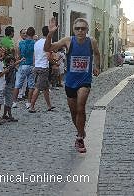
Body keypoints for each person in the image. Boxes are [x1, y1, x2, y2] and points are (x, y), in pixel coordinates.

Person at [44, 18, 100, 153]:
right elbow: (48, 48)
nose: (80, 31)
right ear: (74, 30)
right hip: (70, 82)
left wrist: (97, 66)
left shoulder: (91, 42)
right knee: (73, 111)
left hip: (84, 81)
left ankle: (80, 138)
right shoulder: (68, 41)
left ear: (87, 30)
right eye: (77, 28)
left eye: (83, 28)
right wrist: (50, 34)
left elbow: (97, 54)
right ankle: (80, 130)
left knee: (81, 107)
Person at [29, 26, 55, 113]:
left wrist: (34, 64)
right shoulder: (47, 42)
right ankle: (31, 106)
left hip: (37, 66)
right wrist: (54, 63)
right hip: (43, 67)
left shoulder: (37, 42)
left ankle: (49, 105)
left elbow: (34, 55)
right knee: (38, 87)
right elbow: (48, 56)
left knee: (46, 87)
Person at [12, 27, 36, 109]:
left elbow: (18, 55)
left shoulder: (21, 43)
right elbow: (34, 56)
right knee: (31, 85)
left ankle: (14, 102)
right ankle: (28, 102)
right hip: (31, 65)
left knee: (17, 84)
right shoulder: (34, 43)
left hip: (22, 64)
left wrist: (17, 63)